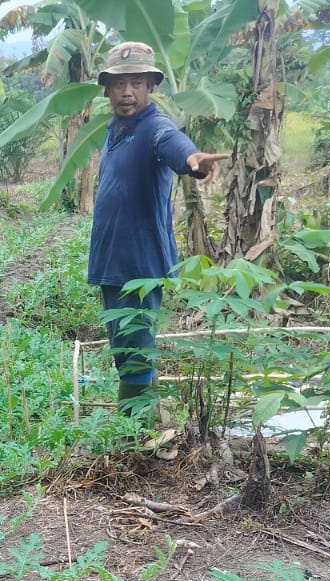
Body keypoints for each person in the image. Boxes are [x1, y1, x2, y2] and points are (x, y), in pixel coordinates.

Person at [87, 41, 229, 410]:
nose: (127, 92)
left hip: (140, 263)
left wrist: (193, 160)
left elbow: (173, 144)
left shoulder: (155, 127)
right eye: (119, 84)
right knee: (126, 348)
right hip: (113, 261)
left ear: (150, 86)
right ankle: (143, 425)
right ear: (107, 89)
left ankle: (134, 431)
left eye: (136, 83)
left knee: (135, 348)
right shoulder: (118, 128)